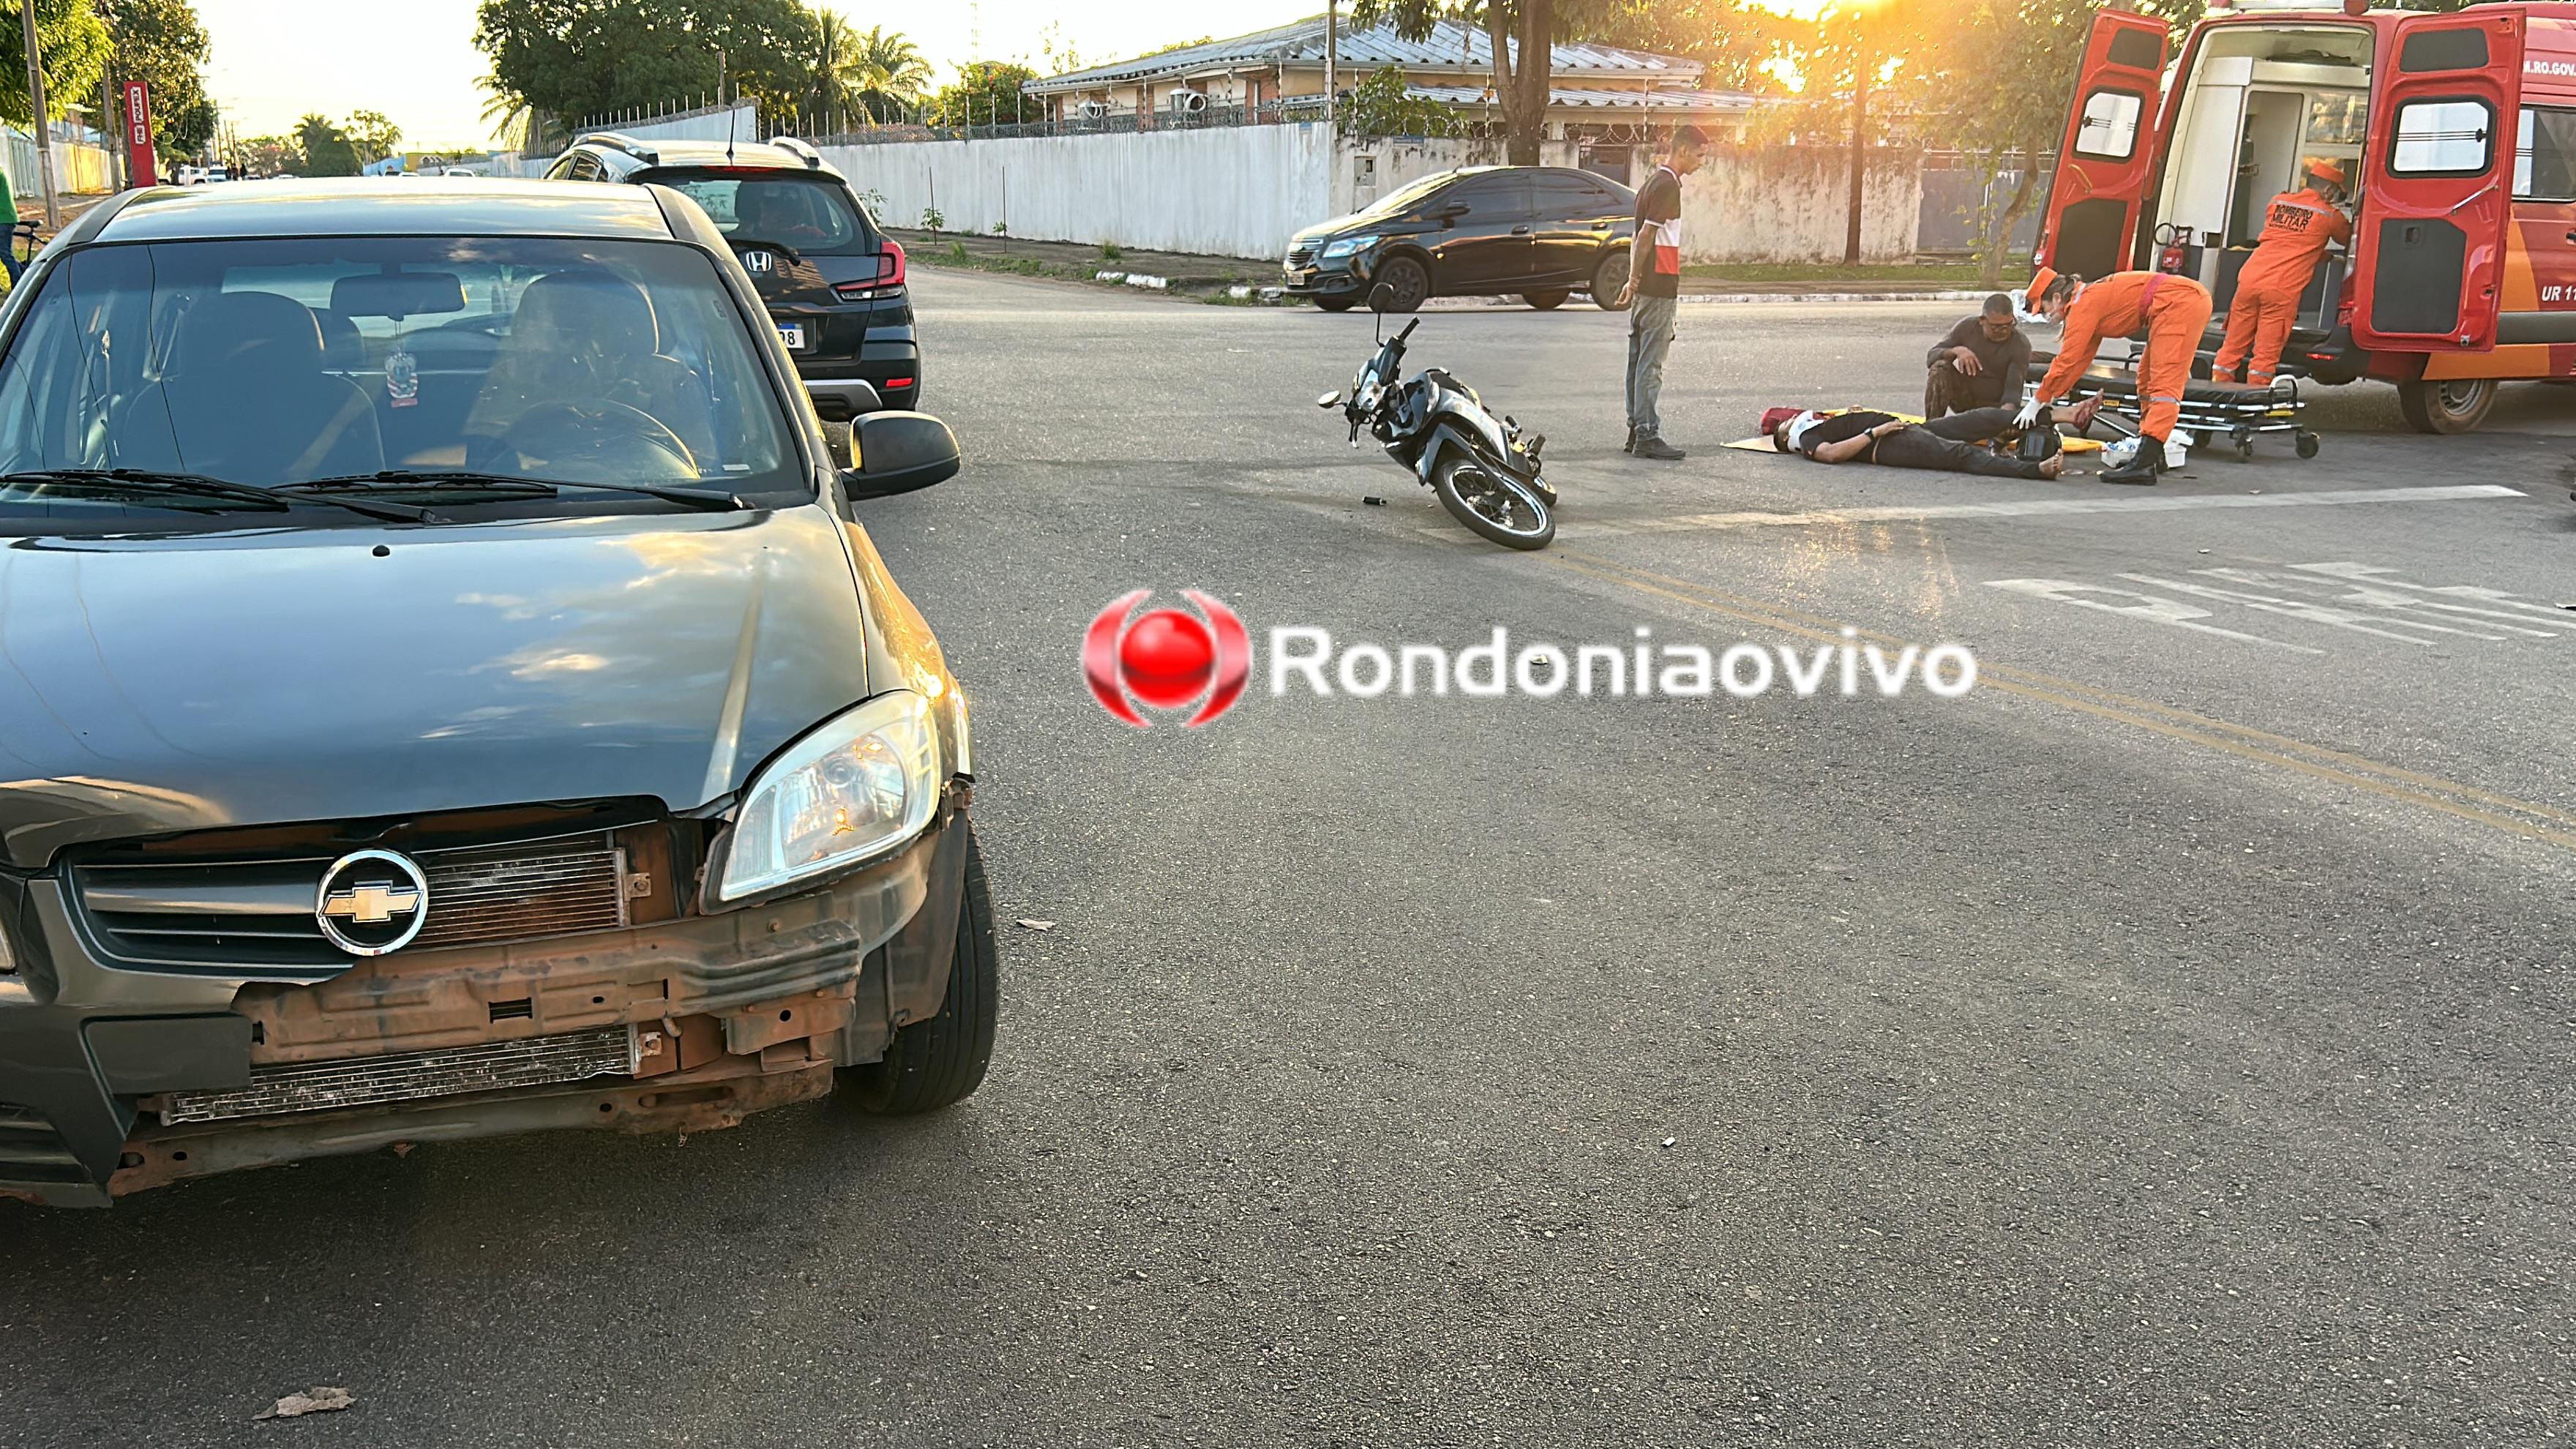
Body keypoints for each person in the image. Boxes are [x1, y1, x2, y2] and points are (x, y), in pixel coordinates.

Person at [2017, 266, 2214, 484]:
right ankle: (2153, 456)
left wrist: (2037, 400)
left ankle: (2145, 464)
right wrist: (2051, 396)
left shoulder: (2083, 306)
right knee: (2147, 380)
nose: (2046, 317)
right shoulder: (2086, 300)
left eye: (2044, 310)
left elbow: (2067, 360)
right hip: (2177, 303)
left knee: (2163, 386)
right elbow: (2079, 360)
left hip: (2180, 304)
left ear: (2056, 298)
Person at [2211, 159, 2351, 387]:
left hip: (2250, 279)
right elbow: (2348, 240)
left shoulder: (2278, 202)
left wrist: (2320, 254)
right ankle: (2255, 398)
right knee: (2266, 354)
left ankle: (2218, 388)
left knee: (2232, 346)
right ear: (2328, 190)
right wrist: (2331, 256)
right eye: (2336, 194)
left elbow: (2287, 242)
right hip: (2280, 289)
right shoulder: (2328, 216)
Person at [1615, 124, 1707, 462]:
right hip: (1658, 287)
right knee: (1650, 364)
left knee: (1637, 361)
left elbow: (1637, 235)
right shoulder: (1668, 186)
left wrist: (1632, 280)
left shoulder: (1653, 182)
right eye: (1699, 155)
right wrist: (1635, 279)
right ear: (1683, 151)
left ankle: (1635, 428)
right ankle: (1647, 434)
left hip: (1647, 288)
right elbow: (1645, 238)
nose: (1701, 162)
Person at [1764, 399, 2098, 480]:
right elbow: (1831, 454)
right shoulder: (1802, 437)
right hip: (1892, 444)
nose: (1791, 417)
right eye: (1786, 421)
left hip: (1903, 430)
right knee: (1960, 454)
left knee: (1982, 418)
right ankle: (2036, 470)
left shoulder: (1815, 422)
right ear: (1784, 435)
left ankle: (2067, 415)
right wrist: (1873, 432)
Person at [1924, 293, 2031, 419]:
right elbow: (1931, 357)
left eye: (2008, 325)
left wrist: (2003, 417)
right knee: (1940, 367)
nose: (2003, 331)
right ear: (1982, 320)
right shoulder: (1967, 328)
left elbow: (2013, 393)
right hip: (1965, 400)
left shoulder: (2020, 344)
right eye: (1996, 327)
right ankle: (1932, 425)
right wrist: (1957, 351)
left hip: (1995, 407)